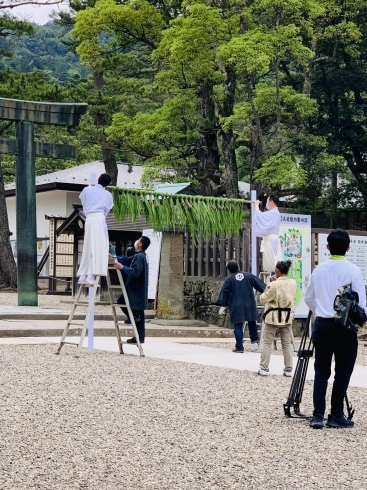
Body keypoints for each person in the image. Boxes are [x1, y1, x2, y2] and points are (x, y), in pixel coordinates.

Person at [304, 229, 366, 429]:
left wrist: (321, 311)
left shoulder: (319, 269)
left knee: (321, 370)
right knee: (343, 371)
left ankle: (317, 415)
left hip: (323, 324)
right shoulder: (353, 270)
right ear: (348, 247)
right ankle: (336, 414)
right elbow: (362, 305)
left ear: (327, 247)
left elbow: (308, 298)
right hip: (345, 327)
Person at [217, 260, 266, 353]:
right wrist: (267, 291)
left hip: (236, 304)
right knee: (252, 323)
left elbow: (225, 293)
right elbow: (260, 286)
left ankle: (239, 347)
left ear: (229, 270)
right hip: (249, 303)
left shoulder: (229, 279)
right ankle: (254, 345)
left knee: (238, 325)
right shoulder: (248, 276)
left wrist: (223, 305)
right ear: (238, 266)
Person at [257, 260, 296, 377]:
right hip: (287, 316)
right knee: (286, 343)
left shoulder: (273, 284)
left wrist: (270, 284)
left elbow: (263, 298)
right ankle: (288, 369)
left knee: (267, 342)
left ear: (277, 271)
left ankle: (264, 367)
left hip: (273, 315)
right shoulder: (293, 283)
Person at [77, 173, 113, 286]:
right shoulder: (107, 194)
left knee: (88, 246)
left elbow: (83, 200)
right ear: (107, 184)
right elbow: (107, 209)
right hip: (99, 218)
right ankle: (91, 276)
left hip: (88, 218)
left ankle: (83, 275)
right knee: (100, 247)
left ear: (98, 180)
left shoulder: (87, 190)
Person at [114, 235, 151, 344]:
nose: (136, 241)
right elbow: (128, 259)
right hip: (139, 288)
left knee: (121, 301)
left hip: (135, 288)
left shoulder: (139, 257)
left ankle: (133, 318)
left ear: (140, 244)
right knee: (139, 313)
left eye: (138, 240)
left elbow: (135, 272)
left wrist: (122, 267)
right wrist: (115, 257)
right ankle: (140, 337)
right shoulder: (141, 255)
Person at [254, 195, 282, 274]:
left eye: (267, 201)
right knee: (269, 265)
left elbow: (261, 217)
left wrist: (256, 207)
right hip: (268, 241)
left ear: (271, 202)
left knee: (273, 263)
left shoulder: (274, 213)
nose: (267, 203)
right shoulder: (274, 213)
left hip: (271, 241)